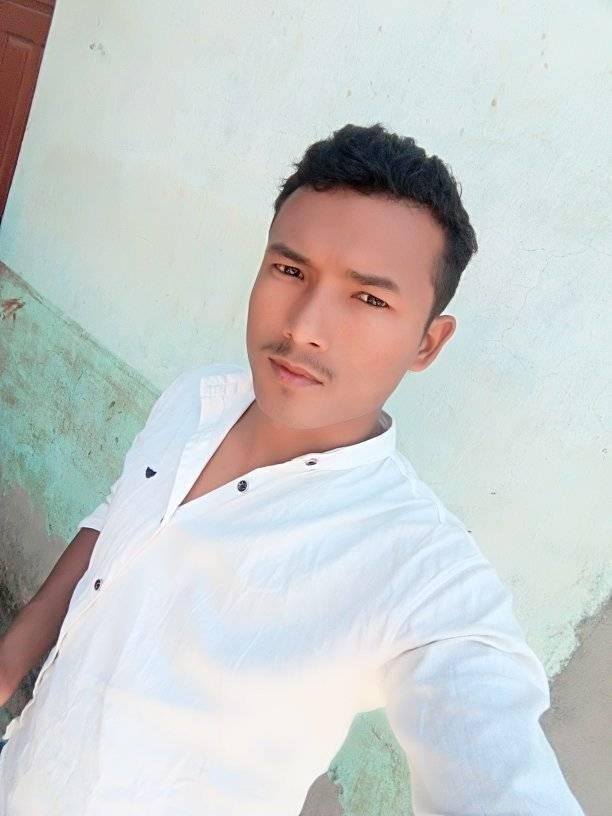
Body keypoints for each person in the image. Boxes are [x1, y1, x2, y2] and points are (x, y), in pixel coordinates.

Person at [0, 123, 585, 814]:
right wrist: (18, 649)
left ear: (427, 343)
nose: (304, 326)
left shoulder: (421, 571)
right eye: (290, 270)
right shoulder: (196, 398)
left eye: (369, 298)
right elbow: (119, 518)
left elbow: (496, 765)